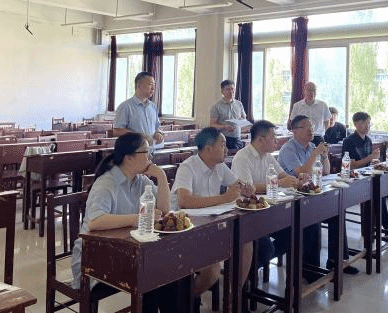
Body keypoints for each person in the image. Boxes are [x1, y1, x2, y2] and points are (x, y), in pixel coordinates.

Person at [71, 133, 174, 313]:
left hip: (126, 251)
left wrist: (161, 175)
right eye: (146, 152)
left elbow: (164, 210)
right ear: (129, 157)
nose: (150, 157)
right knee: (154, 274)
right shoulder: (106, 183)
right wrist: (138, 218)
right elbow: (95, 221)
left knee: (170, 274)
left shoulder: (140, 180)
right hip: (95, 258)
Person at [172, 127, 254, 309]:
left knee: (246, 242)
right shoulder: (187, 167)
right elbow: (184, 201)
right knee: (213, 270)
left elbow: (237, 184)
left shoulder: (220, 166)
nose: (226, 150)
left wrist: (246, 189)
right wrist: (224, 198)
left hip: (212, 225)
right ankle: (183, 299)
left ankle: (233, 297)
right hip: (186, 230)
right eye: (222, 145)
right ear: (208, 149)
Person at [231, 120, 299, 268]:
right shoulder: (243, 157)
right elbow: (248, 188)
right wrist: (279, 183)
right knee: (265, 249)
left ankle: (255, 266)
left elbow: (283, 176)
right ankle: (247, 273)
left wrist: (297, 180)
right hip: (248, 213)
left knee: (294, 233)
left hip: (267, 208)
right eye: (273, 136)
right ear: (261, 139)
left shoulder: (268, 156)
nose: (276, 140)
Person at [277, 115, 331, 279]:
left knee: (336, 213)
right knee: (311, 221)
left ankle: (335, 261)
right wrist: (315, 154)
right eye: (306, 127)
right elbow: (301, 173)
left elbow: (326, 171)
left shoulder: (312, 146)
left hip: (309, 195)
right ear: (295, 131)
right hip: (290, 199)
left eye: (312, 127)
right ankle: (307, 270)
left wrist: (324, 156)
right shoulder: (288, 149)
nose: (311, 130)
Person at [114, 71, 164, 146]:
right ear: (139, 85)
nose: (153, 88)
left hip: (151, 149)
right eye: (150, 84)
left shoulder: (153, 107)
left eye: (154, 85)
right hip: (134, 150)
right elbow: (117, 131)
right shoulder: (125, 106)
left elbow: (157, 127)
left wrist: (158, 133)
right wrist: (140, 136)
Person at [289, 82, 331, 146]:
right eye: (309, 90)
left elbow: (327, 121)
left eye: (314, 90)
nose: (312, 93)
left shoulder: (323, 105)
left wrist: (322, 131)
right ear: (304, 91)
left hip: (317, 136)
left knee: (320, 151)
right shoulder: (297, 106)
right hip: (302, 138)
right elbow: (293, 123)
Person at [209, 79, 248, 150]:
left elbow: (243, 118)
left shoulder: (239, 104)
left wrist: (240, 122)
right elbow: (212, 124)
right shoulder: (217, 106)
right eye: (228, 89)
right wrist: (224, 127)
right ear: (222, 91)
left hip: (237, 137)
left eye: (232, 89)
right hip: (224, 138)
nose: (231, 92)